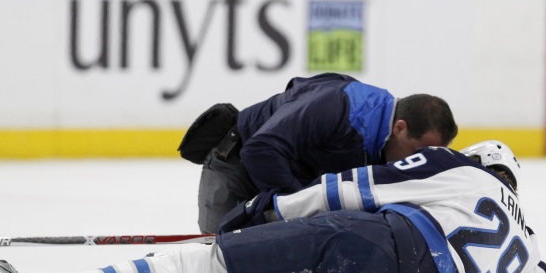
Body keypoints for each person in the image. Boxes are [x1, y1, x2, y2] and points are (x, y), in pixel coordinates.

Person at [0, 141, 546, 273]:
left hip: (378, 247)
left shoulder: (456, 168)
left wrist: (269, 210)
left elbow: (345, 192)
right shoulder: (531, 258)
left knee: (207, 264)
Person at [178, 73, 458, 234]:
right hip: (237, 162)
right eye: (417, 152)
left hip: (282, 174)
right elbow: (259, 150)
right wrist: (301, 206)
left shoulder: (384, 137)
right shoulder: (337, 105)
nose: (417, 162)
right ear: (399, 128)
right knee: (214, 259)